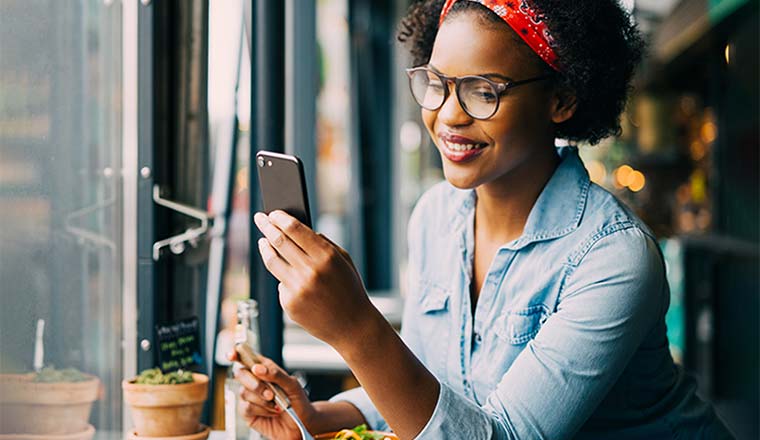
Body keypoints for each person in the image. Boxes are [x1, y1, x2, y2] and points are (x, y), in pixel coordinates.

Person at [231, 0, 733, 438]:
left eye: (483, 91)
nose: (449, 114)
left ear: (562, 99)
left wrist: (355, 328)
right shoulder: (435, 216)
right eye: (437, 84)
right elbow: (433, 389)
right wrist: (317, 414)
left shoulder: (613, 258)